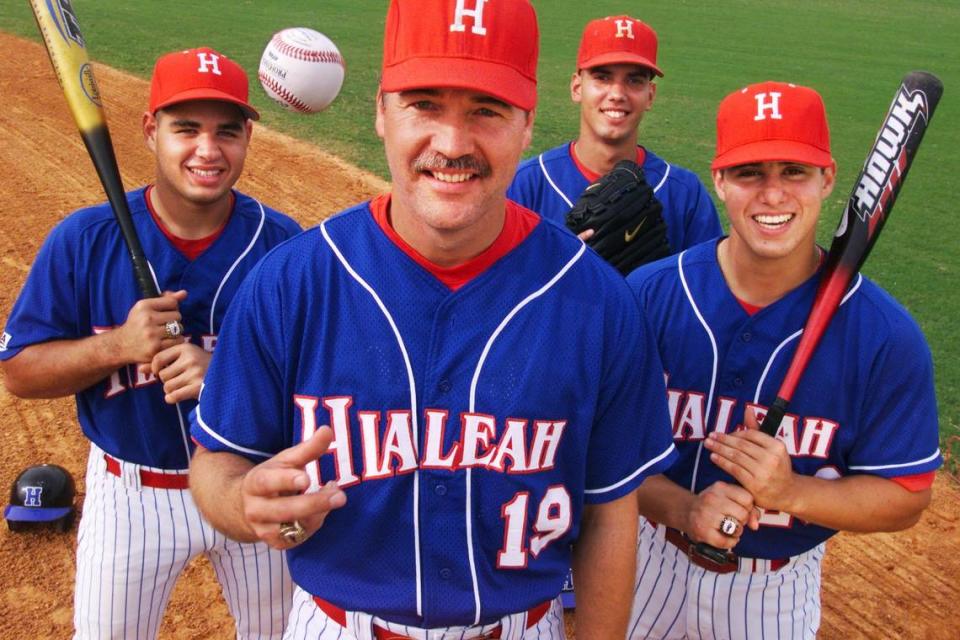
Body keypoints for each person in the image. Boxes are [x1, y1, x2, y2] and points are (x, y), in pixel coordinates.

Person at [187, 1, 677, 638]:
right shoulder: (293, 283)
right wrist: (238, 501)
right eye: (424, 104)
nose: (452, 144)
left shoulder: (598, 301)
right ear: (381, 113)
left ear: (527, 124)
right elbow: (216, 463)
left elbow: (611, 510)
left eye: (486, 110)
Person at [0, 47, 302, 638]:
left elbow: (323, 382)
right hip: (131, 493)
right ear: (150, 130)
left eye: (227, 132)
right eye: (186, 129)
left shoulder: (283, 247)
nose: (208, 150)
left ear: (247, 138)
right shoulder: (85, 240)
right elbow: (18, 372)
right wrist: (116, 347)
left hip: (249, 480)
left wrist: (226, 374)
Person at [624, 81, 942, 638]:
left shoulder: (884, 335)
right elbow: (601, 455)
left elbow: (906, 499)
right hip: (651, 560)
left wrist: (791, 492)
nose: (772, 195)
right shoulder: (648, 297)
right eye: (750, 172)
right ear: (719, 180)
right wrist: (683, 509)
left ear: (827, 179)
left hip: (773, 590)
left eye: (793, 172)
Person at [508, 14, 721, 253]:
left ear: (650, 95)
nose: (617, 93)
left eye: (634, 80)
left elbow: (705, 284)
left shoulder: (684, 193)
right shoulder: (525, 185)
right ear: (577, 87)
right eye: (602, 77)